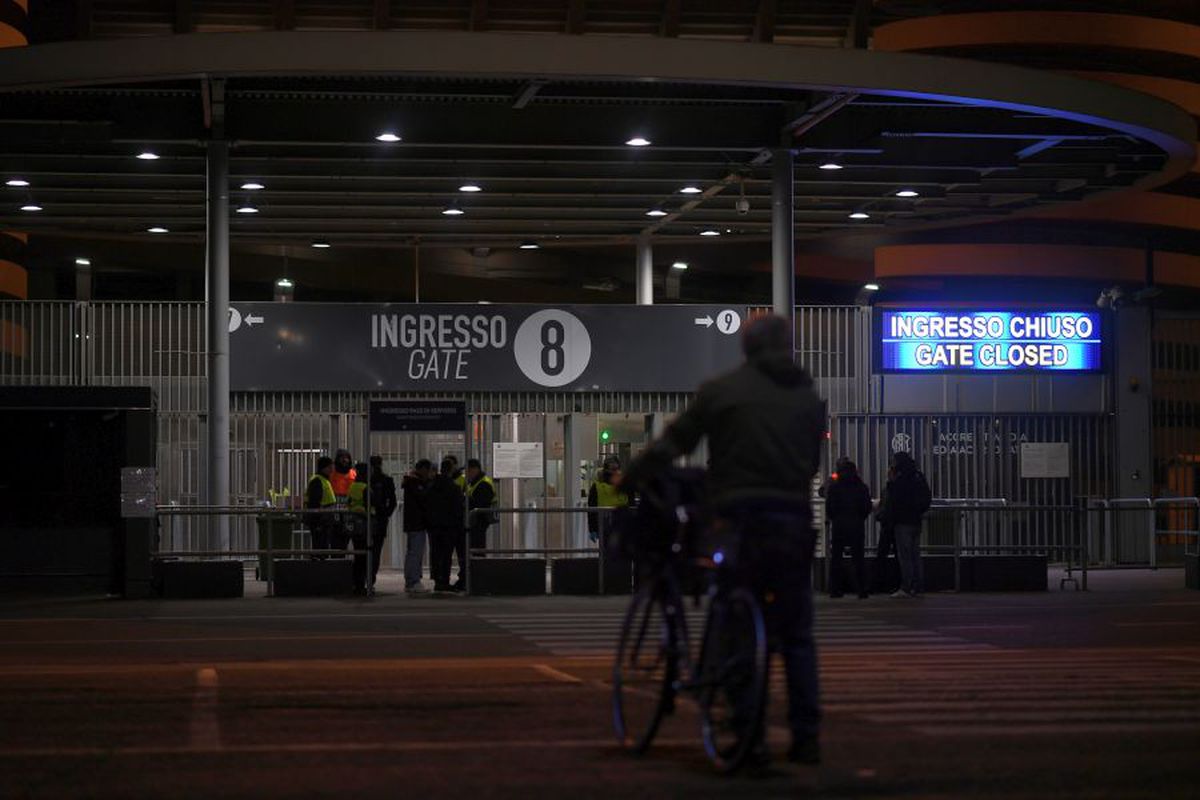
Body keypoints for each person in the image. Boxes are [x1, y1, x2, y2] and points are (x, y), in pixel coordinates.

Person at [623, 313, 826, 767]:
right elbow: (811, 462)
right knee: (796, 634)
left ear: (747, 348)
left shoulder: (722, 390)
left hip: (738, 521)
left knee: (735, 615)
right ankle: (806, 737)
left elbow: (673, 443)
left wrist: (632, 478)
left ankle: (746, 730)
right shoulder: (810, 398)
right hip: (794, 521)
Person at [880, 451, 932, 598]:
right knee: (915, 554)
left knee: (905, 556)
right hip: (916, 520)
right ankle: (918, 586)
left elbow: (894, 497)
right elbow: (927, 496)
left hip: (902, 521)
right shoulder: (918, 476)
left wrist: (890, 481)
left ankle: (907, 586)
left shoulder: (900, 478)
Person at [825, 459, 873, 599]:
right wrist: (859, 517)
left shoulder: (835, 487)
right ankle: (862, 589)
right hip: (856, 525)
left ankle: (835, 590)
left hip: (839, 526)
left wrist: (836, 518)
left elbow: (830, 507)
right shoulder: (861, 487)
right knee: (858, 558)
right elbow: (866, 507)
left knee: (836, 559)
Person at [427, 458, 466, 593]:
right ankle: (444, 581)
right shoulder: (453, 487)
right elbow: (459, 507)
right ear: (450, 470)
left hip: (434, 526)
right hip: (449, 526)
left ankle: (438, 580)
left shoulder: (432, 486)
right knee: (446, 555)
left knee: (436, 553)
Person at [401, 460, 433, 594]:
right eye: (428, 470)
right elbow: (424, 498)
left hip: (413, 523)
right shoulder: (415, 483)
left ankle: (410, 580)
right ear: (423, 469)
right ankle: (414, 581)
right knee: (415, 553)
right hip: (417, 523)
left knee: (412, 552)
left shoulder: (411, 482)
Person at [367, 455, 398, 594]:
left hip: (366, 519)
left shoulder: (364, 480)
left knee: (366, 550)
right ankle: (370, 580)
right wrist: (385, 514)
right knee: (376, 551)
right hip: (380, 520)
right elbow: (393, 502)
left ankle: (365, 580)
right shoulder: (387, 480)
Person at [588, 455, 630, 545]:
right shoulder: (625, 485)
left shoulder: (597, 486)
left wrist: (592, 528)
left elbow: (591, 509)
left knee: (608, 553)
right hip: (617, 525)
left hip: (609, 524)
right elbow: (592, 508)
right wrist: (592, 528)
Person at [344, 462, 371, 594]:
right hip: (364, 522)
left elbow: (349, 503)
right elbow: (369, 505)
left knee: (358, 553)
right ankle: (361, 584)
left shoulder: (353, 486)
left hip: (354, 522)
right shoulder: (366, 487)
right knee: (364, 555)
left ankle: (356, 582)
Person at [304, 456, 336, 556]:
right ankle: (319, 568)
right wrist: (318, 521)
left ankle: (320, 566)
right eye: (330, 466)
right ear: (324, 467)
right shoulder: (317, 481)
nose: (332, 469)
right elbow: (314, 502)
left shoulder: (323, 479)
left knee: (323, 546)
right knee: (320, 547)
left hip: (324, 519)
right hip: (320, 520)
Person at [873, 466, 898, 594]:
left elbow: (885, 506)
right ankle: (896, 584)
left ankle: (879, 584)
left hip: (888, 525)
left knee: (882, 555)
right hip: (894, 525)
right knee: (898, 556)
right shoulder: (893, 489)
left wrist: (879, 515)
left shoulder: (888, 489)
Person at [464, 458, 497, 554]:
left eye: (468, 471)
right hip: (476, 521)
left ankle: (478, 567)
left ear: (475, 470)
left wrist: (467, 502)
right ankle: (475, 566)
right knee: (475, 547)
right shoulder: (475, 483)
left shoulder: (483, 484)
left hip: (479, 521)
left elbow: (481, 503)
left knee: (477, 548)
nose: (467, 474)